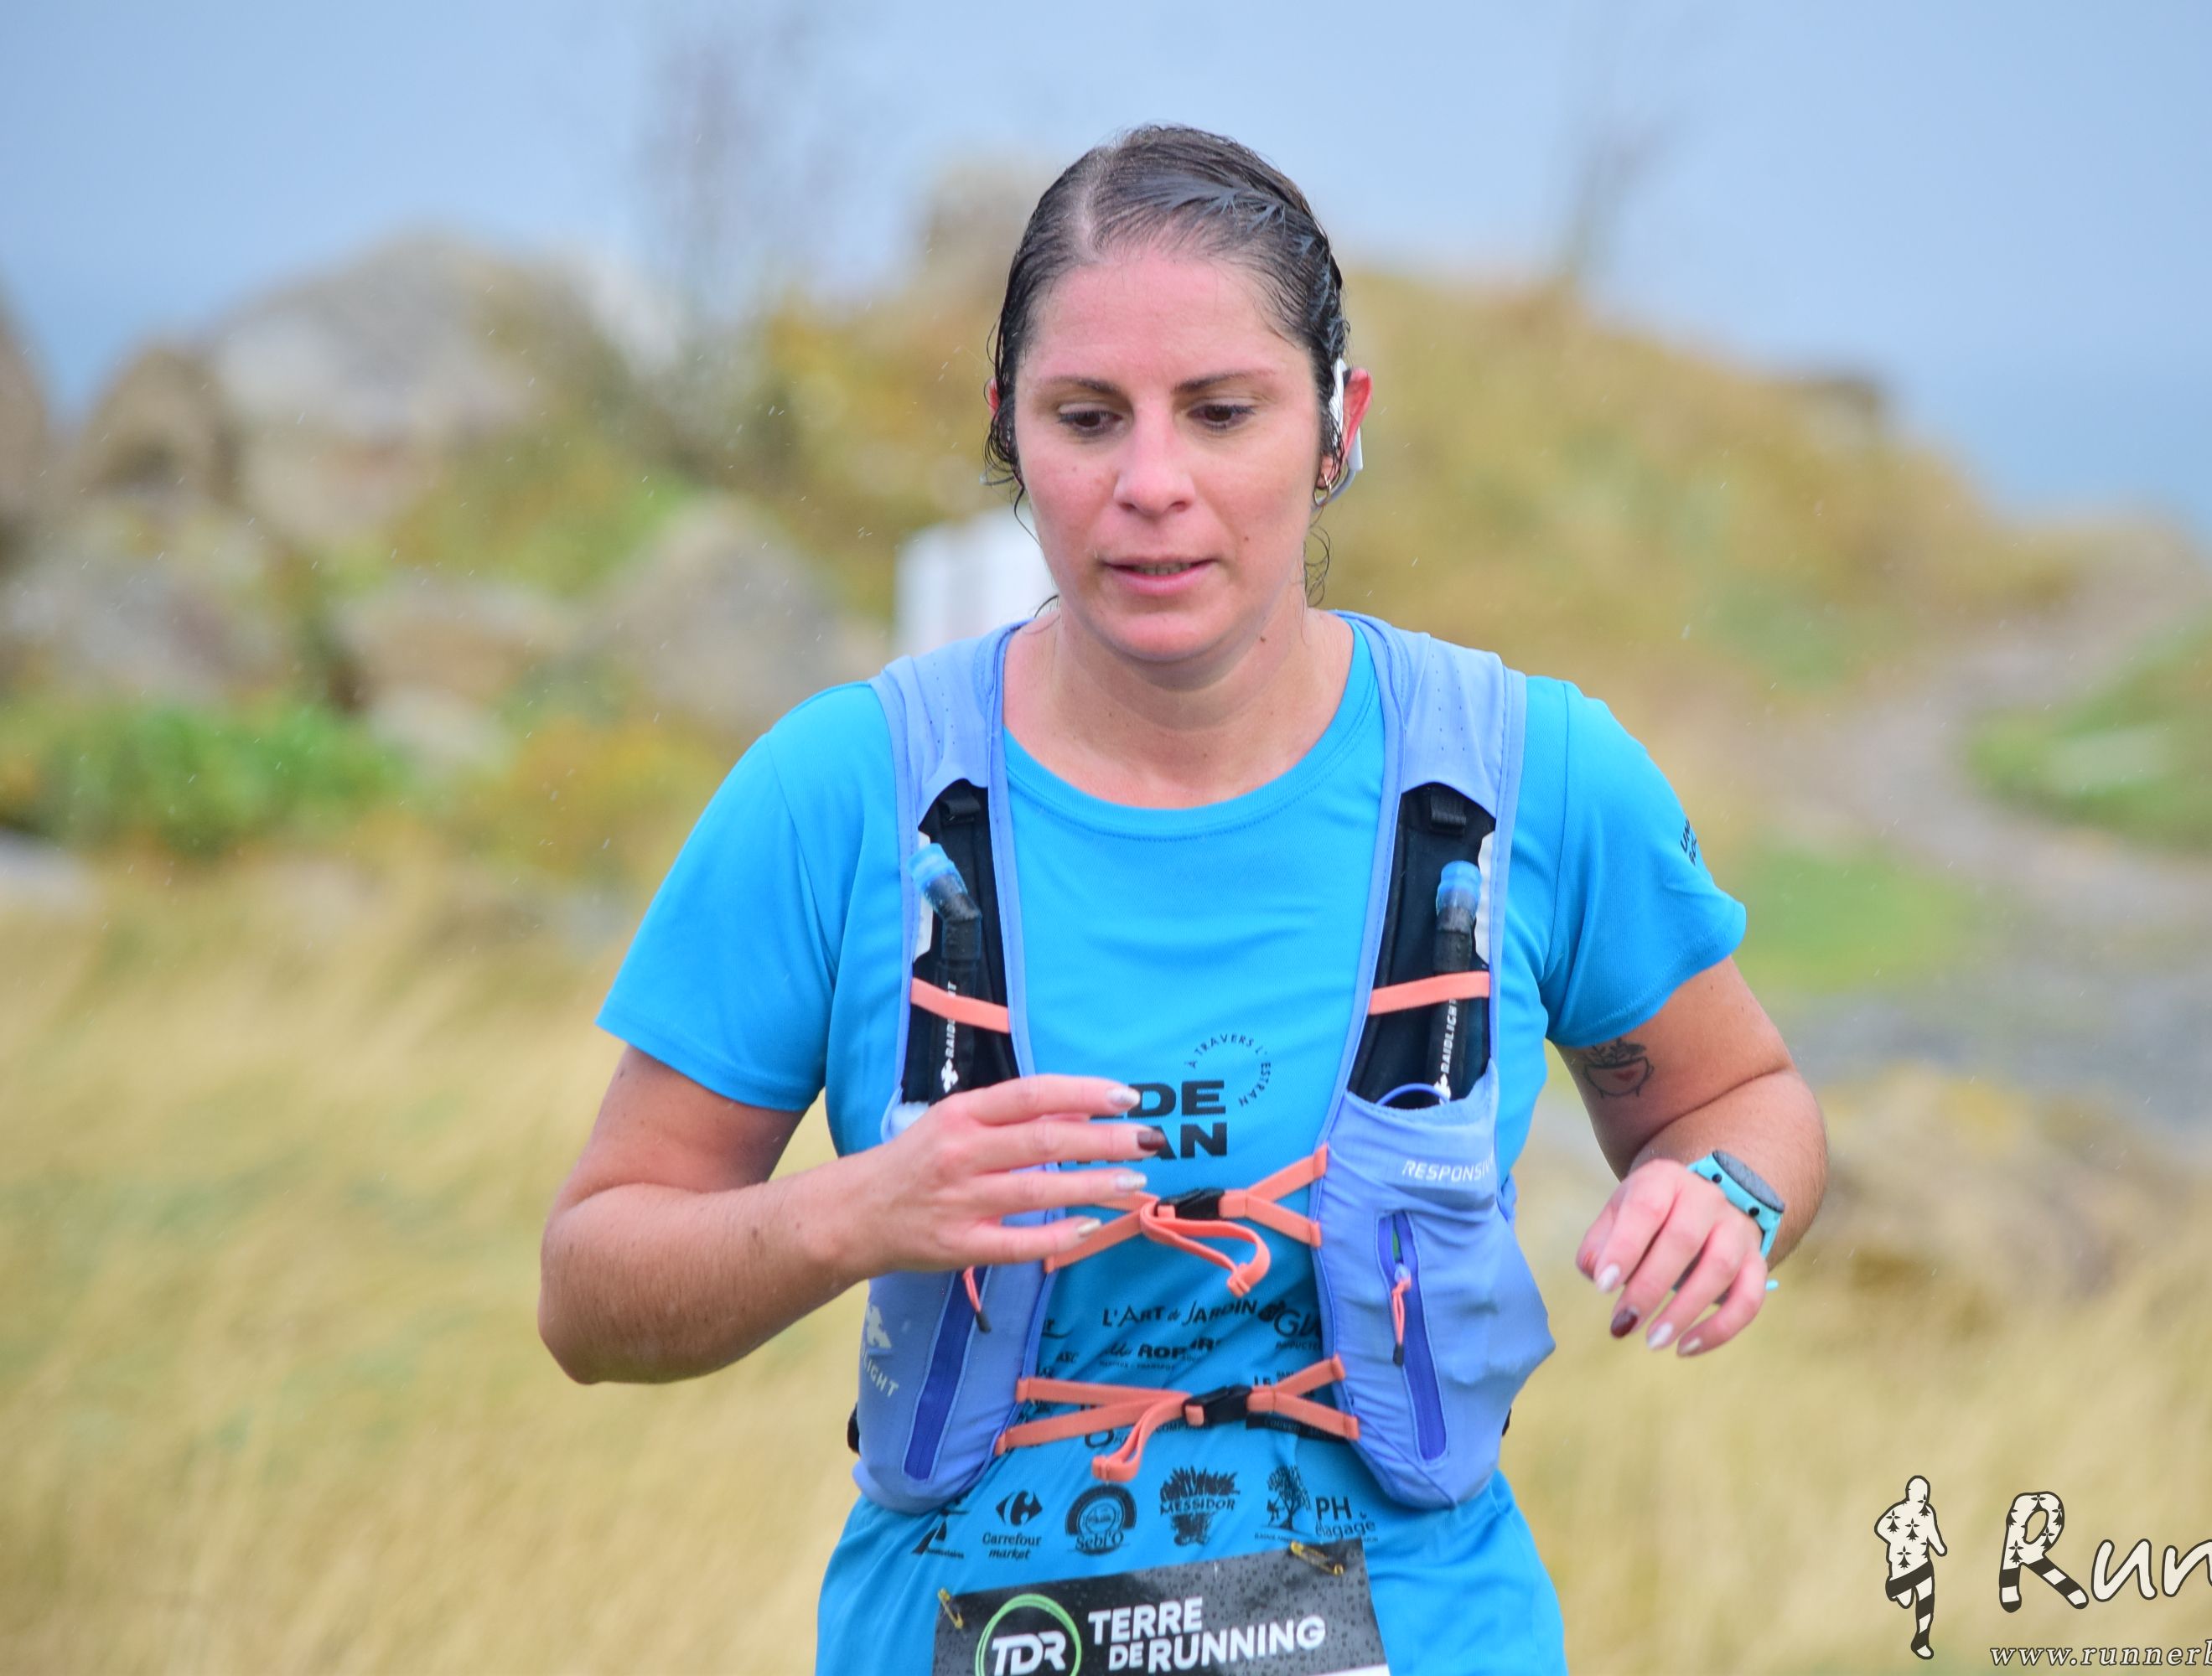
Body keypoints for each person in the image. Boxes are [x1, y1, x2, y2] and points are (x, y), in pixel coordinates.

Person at [539, 124, 1827, 1674]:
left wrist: (1724, 1197)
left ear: (1338, 425)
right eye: (1088, 417)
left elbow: (1740, 1100)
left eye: (1222, 413)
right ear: (1009, 431)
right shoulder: (840, 793)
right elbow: (589, 1294)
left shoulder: (1526, 775)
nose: (1152, 485)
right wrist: (851, 1214)